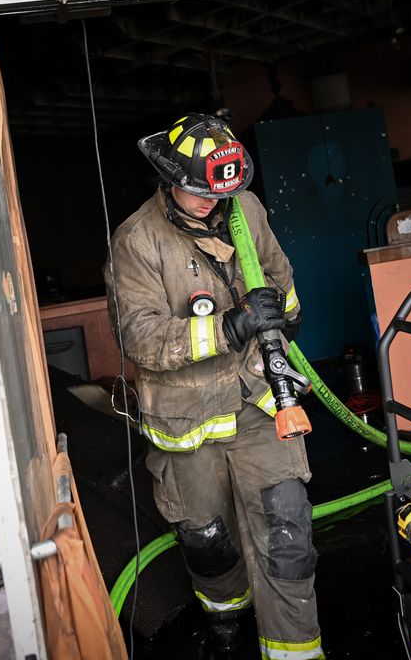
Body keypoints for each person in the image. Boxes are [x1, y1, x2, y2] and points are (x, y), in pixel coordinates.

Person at [105, 113, 324, 659]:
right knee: (209, 545)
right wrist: (229, 326)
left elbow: (281, 280)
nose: (211, 202)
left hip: (259, 402)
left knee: (287, 537)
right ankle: (226, 626)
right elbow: (141, 338)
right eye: (198, 191)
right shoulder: (136, 241)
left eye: (220, 192)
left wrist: (285, 318)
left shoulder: (244, 209)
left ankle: (295, 652)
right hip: (187, 422)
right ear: (169, 176)